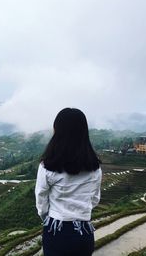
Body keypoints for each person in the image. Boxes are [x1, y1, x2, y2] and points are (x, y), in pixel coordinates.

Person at [35, 108, 102, 256]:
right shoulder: (95, 168)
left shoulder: (47, 166)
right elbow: (95, 199)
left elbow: (41, 201)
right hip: (84, 233)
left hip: (56, 231)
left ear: (57, 132)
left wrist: (48, 217)